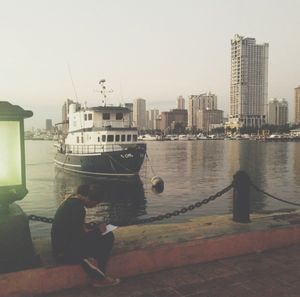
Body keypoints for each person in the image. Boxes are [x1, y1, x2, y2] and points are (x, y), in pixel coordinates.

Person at [51, 184, 120, 287]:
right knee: (107, 237)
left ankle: (96, 266)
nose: (95, 206)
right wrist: (98, 231)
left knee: (102, 236)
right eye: (95, 203)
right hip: (65, 253)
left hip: (61, 247)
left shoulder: (71, 201)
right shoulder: (78, 208)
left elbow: (73, 227)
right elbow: (78, 236)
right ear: (88, 198)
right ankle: (99, 278)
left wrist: (93, 226)